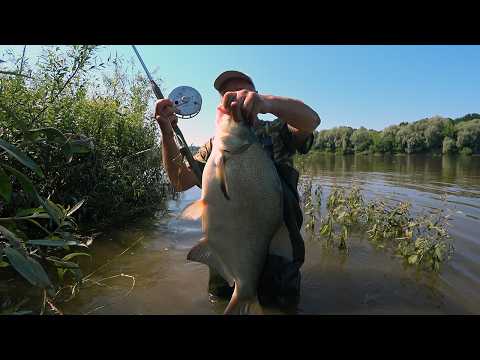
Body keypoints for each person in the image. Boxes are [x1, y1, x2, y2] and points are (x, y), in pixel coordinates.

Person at [154, 70, 320, 309]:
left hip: (275, 245)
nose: (234, 98)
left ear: (254, 94)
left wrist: (266, 102)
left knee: (280, 306)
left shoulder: (277, 131)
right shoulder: (214, 145)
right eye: (226, 94)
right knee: (219, 302)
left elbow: (311, 120)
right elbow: (180, 182)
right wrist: (167, 134)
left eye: (242, 92)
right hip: (226, 243)